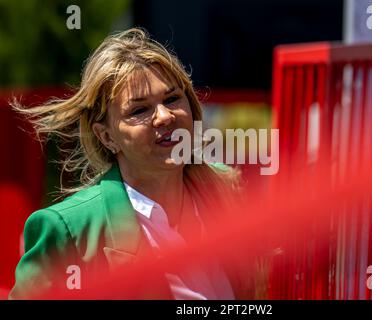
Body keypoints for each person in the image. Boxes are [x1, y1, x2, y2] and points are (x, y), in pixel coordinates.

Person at [9, 28, 258, 300]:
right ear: (106, 136)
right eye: (139, 110)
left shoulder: (230, 187)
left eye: (172, 98)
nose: (164, 116)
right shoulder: (66, 230)